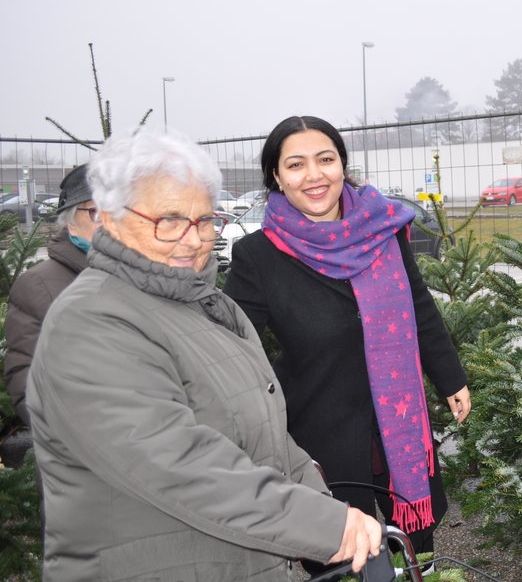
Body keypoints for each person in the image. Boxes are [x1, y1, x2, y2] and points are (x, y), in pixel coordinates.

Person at [26, 130, 382, 581]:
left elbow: (269, 437)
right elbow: (178, 464)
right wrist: (324, 526)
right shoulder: (92, 321)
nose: (193, 240)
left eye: (204, 221)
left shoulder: (209, 307)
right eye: (169, 220)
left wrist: (331, 509)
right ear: (110, 220)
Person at [223, 115, 470, 567]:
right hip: (323, 429)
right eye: (296, 165)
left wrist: (450, 377)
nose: (314, 175)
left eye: (325, 159)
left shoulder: (384, 227)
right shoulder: (258, 255)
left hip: (397, 423)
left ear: (342, 165)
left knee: (416, 550)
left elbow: (419, 307)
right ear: (276, 177)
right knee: (339, 559)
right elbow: (233, 346)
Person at [5, 164, 98, 427]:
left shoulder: (146, 277)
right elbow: (30, 389)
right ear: (71, 223)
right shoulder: (38, 286)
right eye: (97, 212)